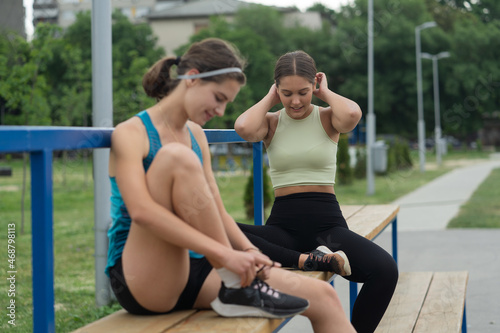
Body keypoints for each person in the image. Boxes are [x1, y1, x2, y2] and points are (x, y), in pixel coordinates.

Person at [105, 38, 356, 333]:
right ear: (193, 78)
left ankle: (236, 284)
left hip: (203, 270)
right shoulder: (131, 133)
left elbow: (217, 211)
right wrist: (225, 255)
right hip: (144, 277)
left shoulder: (196, 135)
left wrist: (251, 253)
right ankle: (235, 282)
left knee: (323, 297)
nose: (221, 111)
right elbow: (142, 213)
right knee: (176, 158)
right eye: (218, 98)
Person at [235, 50, 398, 333]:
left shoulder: (326, 118)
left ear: (315, 86)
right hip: (283, 229)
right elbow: (243, 127)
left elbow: (352, 113)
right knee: (225, 230)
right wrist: (271, 99)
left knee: (385, 270)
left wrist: (326, 92)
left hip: (327, 229)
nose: (295, 101)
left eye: (303, 91)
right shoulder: (272, 122)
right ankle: (306, 258)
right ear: (276, 89)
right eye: (286, 93)